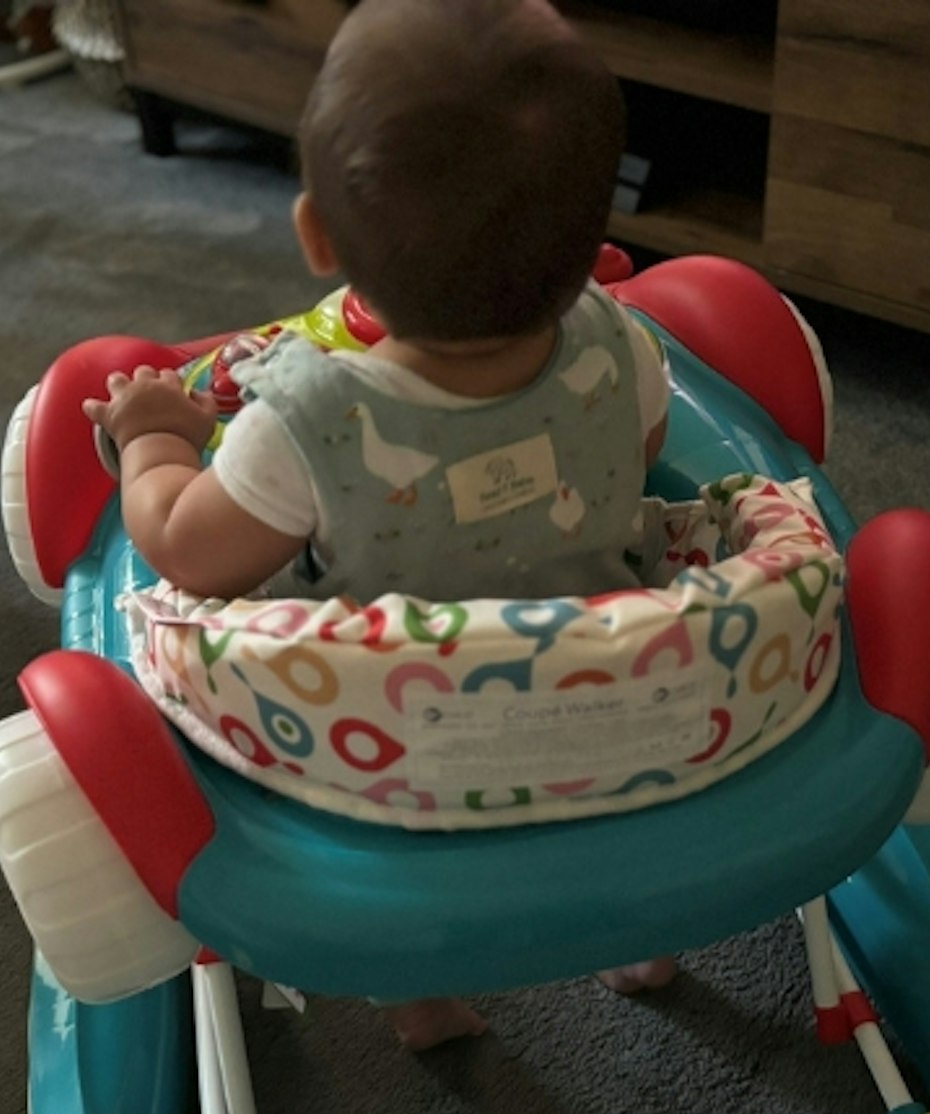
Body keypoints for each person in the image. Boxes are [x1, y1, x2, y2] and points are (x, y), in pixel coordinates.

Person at [83, 0, 677, 1049]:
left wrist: (153, 436)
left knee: (384, 803)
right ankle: (639, 932)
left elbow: (183, 550)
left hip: (394, 769)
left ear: (316, 234)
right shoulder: (623, 352)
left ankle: (423, 994)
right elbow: (629, 472)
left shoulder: (305, 423)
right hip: (606, 725)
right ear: (599, 239)